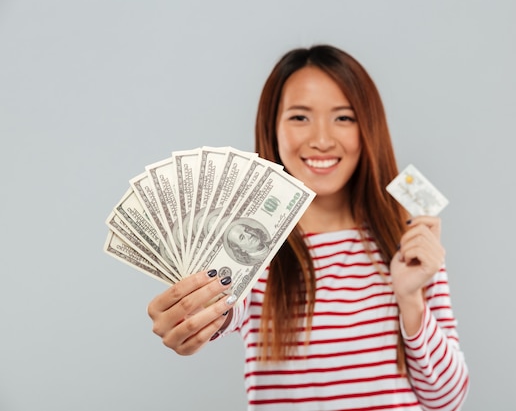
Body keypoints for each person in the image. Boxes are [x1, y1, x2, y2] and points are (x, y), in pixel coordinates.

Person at [147, 44, 469, 410]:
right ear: (273, 127)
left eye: (344, 118)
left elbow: (447, 399)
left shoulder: (408, 243)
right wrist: (189, 318)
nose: (321, 139)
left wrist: (410, 298)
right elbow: (218, 309)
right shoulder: (250, 244)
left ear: (369, 128)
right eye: (300, 117)